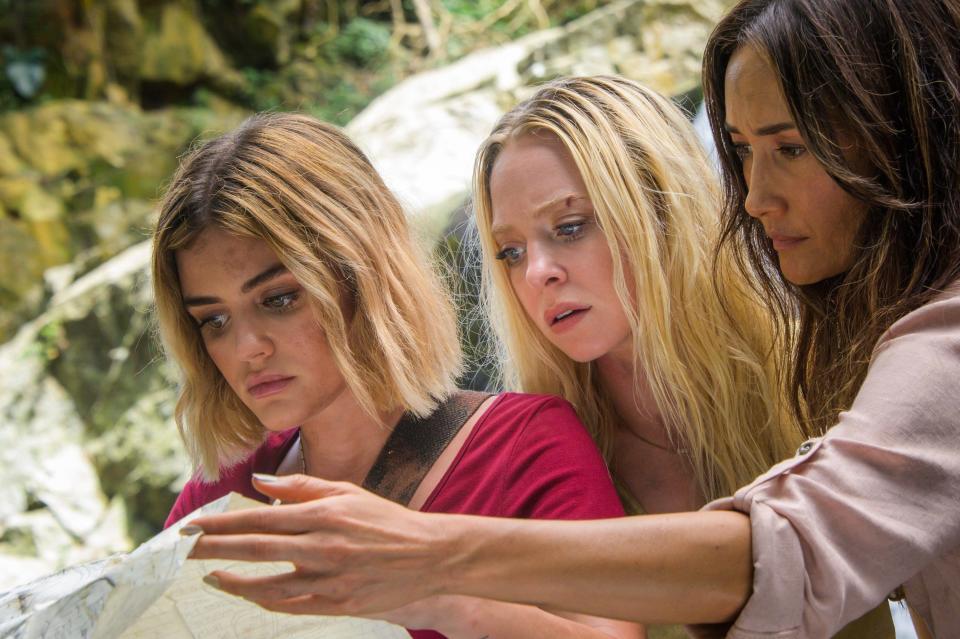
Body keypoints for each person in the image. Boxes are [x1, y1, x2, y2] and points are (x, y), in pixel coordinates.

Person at [182, 0, 960, 636]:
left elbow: (804, 552)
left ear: (660, 211)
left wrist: (429, 562)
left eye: (570, 226)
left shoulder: (835, 362)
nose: (541, 273)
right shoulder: (542, 445)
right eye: (511, 252)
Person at [152, 112, 640, 639]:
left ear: (362, 274)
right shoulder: (227, 493)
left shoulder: (519, 445)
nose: (247, 348)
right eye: (214, 320)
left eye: (279, 298)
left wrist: (436, 599)